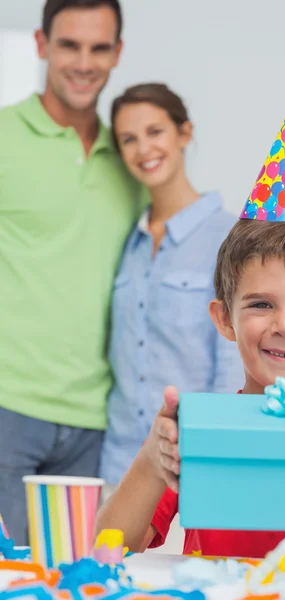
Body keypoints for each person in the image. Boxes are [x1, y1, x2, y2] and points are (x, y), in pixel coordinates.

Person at [96, 103, 285, 557]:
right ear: (224, 319)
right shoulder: (204, 431)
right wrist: (155, 458)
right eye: (261, 304)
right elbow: (109, 545)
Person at [0, 0, 148, 545]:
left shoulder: (133, 159)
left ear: (117, 53)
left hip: (96, 421)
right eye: (69, 45)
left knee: (78, 580)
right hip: (8, 407)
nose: (83, 62)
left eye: (98, 47)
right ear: (41, 45)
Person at [100, 83, 244, 486]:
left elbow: (236, 361)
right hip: (120, 469)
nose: (143, 149)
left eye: (155, 131)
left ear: (184, 132)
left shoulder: (229, 236)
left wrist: (212, 452)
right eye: (129, 139)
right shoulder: (128, 243)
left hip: (192, 465)